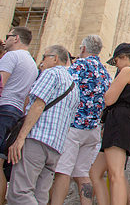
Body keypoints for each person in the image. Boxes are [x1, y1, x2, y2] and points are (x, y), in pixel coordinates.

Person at [6, 45, 79, 204]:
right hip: (56, 147)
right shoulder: (74, 86)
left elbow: (38, 104)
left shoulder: (51, 73)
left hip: (37, 139)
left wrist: (20, 138)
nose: (41, 62)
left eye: (44, 57)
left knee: (20, 192)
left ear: (55, 58)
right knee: (40, 196)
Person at [50, 35, 112, 205]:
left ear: (83, 49)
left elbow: (63, 86)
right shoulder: (105, 72)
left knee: (63, 172)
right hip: (92, 129)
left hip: (75, 125)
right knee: (83, 173)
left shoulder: (79, 65)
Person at [101, 43, 130, 204]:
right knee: (96, 171)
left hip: (118, 119)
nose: (116, 67)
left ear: (122, 57)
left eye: (116, 62)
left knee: (116, 173)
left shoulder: (127, 71)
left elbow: (109, 99)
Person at [0, 26, 38, 201]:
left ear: (15, 38)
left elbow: (1, 83)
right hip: (16, 113)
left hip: (3, 108)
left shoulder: (11, 56)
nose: (5, 40)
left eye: (8, 36)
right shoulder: (32, 63)